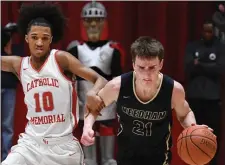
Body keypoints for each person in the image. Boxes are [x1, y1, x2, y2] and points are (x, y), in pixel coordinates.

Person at [1, 3, 107, 165]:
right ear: (26, 38)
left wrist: (93, 92)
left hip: (63, 147)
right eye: (35, 37)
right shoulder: (19, 64)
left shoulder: (60, 59)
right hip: (30, 144)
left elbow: (100, 79)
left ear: (51, 39)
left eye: (44, 38)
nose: (39, 42)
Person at [81, 36, 212, 165]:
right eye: (141, 67)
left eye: (152, 68)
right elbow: (93, 107)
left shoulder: (173, 89)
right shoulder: (117, 86)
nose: (146, 74)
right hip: (126, 159)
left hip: (159, 159)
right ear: (133, 65)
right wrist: (87, 128)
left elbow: (185, 114)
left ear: (161, 64)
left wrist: (193, 128)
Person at [67, 2, 124, 165]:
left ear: (104, 22)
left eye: (97, 20)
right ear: (83, 22)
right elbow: (69, 80)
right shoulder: (74, 49)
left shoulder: (114, 49)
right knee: (89, 160)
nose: (93, 24)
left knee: (109, 160)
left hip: (108, 107)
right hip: (83, 106)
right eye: (89, 19)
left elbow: (118, 80)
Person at [184, 20, 225, 165]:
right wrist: (209, 66)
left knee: (213, 134)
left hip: (212, 98)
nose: (208, 33)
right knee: (194, 132)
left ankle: (212, 161)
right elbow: (188, 67)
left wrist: (200, 64)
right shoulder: (192, 46)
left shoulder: (220, 47)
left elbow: (220, 69)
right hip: (195, 96)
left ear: (214, 31)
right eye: (205, 30)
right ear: (201, 31)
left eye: (210, 30)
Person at [1, 23, 20, 162]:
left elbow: (18, 63)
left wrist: (9, 43)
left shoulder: (16, 41)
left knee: (7, 126)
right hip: (7, 84)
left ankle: (5, 159)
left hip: (8, 85)